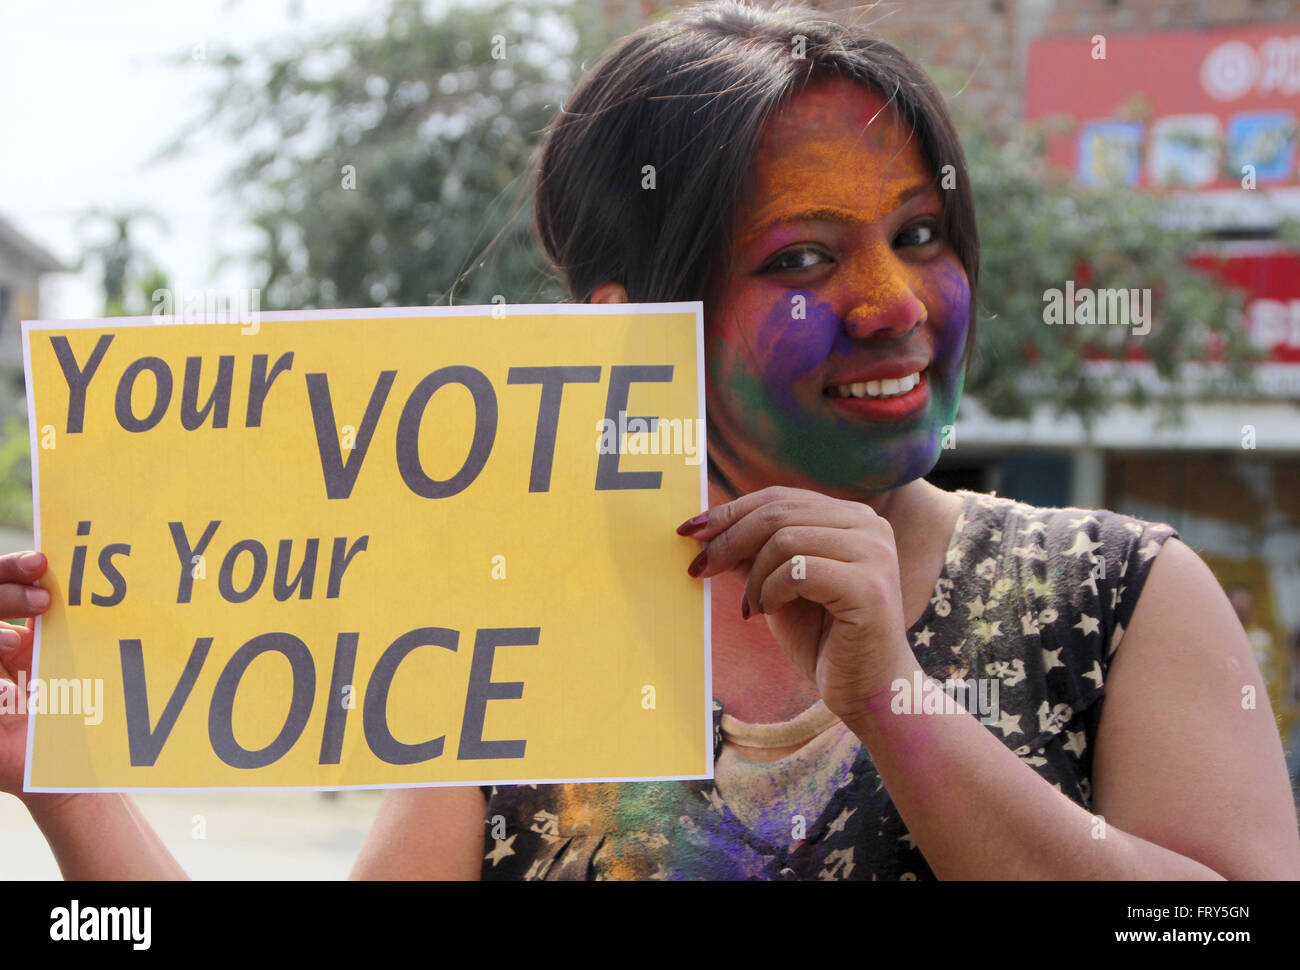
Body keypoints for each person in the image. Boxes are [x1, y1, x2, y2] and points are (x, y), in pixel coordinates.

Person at [3, 0, 1299, 880]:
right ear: (629, 326)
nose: (897, 303)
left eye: (919, 233)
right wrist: (67, 783)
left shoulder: (1116, 596)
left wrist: (896, 707)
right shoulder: (511, 642)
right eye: (802, 256)